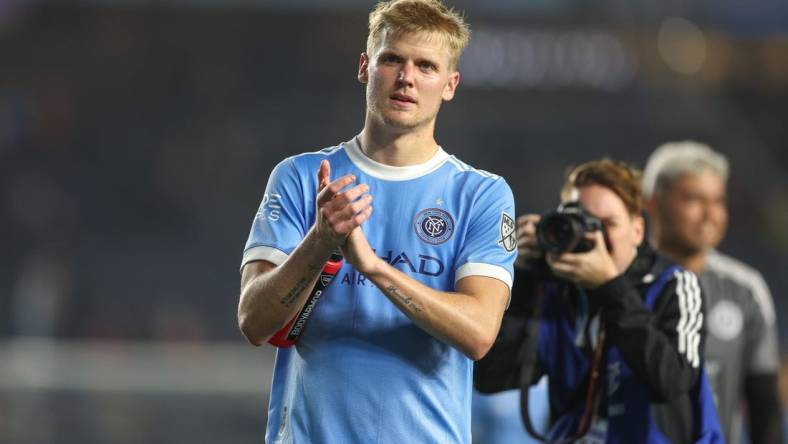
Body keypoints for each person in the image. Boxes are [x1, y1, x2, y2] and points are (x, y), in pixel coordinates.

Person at [237, 1, 517, 442]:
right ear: (366, 67)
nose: (406, 77)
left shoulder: (481, 194)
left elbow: (479, 333)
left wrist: (373, 266)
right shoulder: (300, 176)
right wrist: (320, 242)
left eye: (426, 66)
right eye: (392, 59)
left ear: (450, 85)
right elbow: (254, 321)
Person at [476, 159, 722, 443]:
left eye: (607, 224)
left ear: (637, 231)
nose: (593, 236)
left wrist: (609, 287)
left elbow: (671, 381)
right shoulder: (556, 291)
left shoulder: (674, 284)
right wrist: (525, 280)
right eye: (580, 221)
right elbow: (491, 377)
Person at [643, 141, 782, 444]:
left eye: (718, 201)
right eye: (694, 199)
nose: (710, 214)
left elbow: (763, 404)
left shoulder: (746, 290)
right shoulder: (623, 285)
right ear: (653, 202)